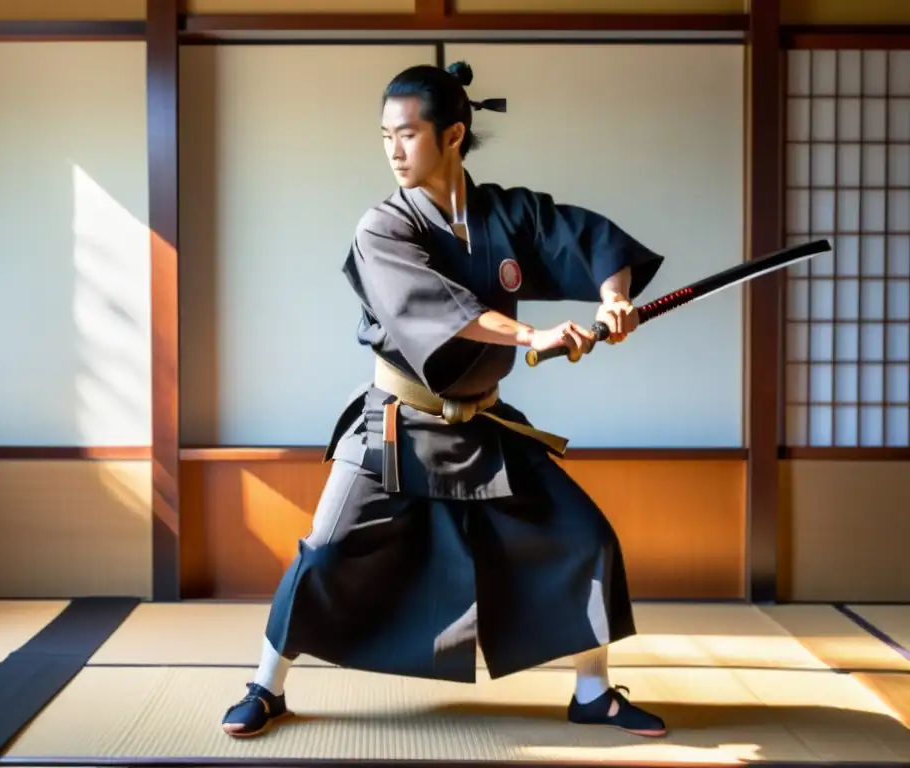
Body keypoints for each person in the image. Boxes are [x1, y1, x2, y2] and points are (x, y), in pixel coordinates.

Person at [221, 60, 668, 740]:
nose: (393, 150)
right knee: (325, 553)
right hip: (397, 424)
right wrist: (533, 334)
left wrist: (614, 299)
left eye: (407, 134)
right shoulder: (381, 228)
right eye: (384, 137)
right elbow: (451, 312)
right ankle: (266, 684)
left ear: (453, 134)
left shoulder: (507, 214)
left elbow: (592, 240)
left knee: (585, 536)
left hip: (483, 425)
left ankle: (592, 693)